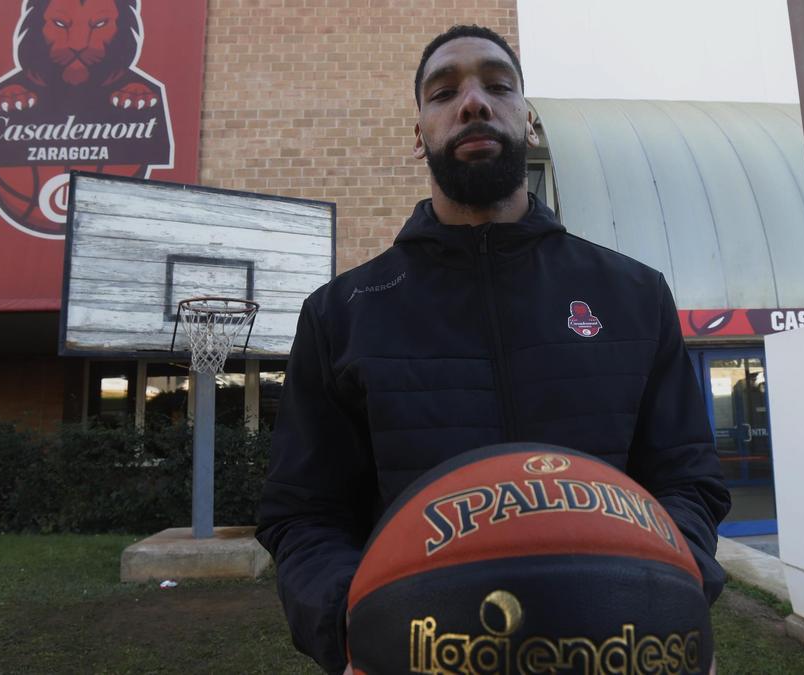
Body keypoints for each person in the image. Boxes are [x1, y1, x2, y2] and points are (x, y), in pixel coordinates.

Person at [256, 24, 730, 674]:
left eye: (497, 85)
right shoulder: (341, 313)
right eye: (444, 91)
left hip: (617, 648)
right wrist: (355, 625)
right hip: (422, 653)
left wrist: (675, 586)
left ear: (529, 123)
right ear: (419, 135)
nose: (472, 102)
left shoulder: (634, 295)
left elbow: (688, 482)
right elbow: (303, 513)